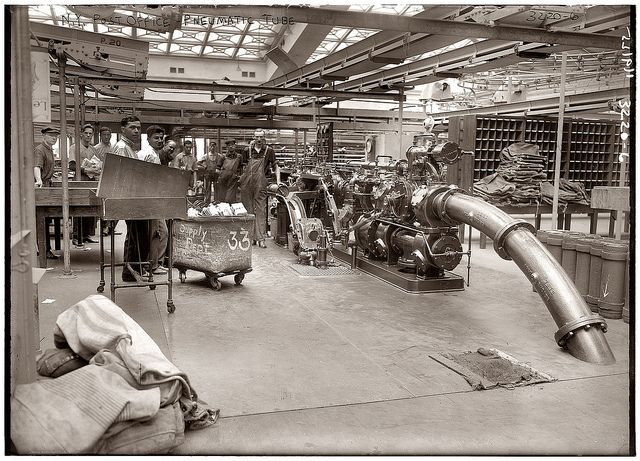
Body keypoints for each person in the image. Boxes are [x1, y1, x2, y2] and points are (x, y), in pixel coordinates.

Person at [112, 115, 149, 282]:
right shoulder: (121, 147)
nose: (136, 130)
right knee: (137, 235)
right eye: (132, 127)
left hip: (134, 196)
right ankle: (131, 271)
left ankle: (133, 269)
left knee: (136, 235)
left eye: (138, 128)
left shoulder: (129, 147)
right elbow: (121, 175)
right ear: (123, 130)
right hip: (129, 197)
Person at [138, 125, 168, 275]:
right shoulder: (147, 154)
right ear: (148, 139)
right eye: (156, 138)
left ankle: (156, 263)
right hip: (149, 198)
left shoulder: (154, 154)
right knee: (157, 232)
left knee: (160, 232)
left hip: (154, 197)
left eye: (161, 138)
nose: (159, 140)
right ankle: (152, 265)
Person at [239, 129, 276, 248]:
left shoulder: (269, 151)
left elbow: (276, 166)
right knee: (248, 210)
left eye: (261, 137)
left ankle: (261, 238)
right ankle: (251, 237)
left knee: (261, 210)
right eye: (257, 137)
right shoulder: (247, 151)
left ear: (264, 137)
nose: (259, 139)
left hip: (261, 183)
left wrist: (279, 182)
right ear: (253, 137)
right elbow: (243, 168)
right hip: (247, 184)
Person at [69, 123, 99, 246]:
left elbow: (97, 163)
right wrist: (85, 170)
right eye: (85, 133)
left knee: (90, 207)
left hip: (91, 181)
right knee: (78, 208)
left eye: (90, 133)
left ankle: (86, 234)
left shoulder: (93, 149)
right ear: (81, 133)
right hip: (79, 180)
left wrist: (96, 168)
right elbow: (71, 165)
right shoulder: (74, 147)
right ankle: (76, 236)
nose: (87, 135)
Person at [34, 126, 61, 259]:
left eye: (56, 136)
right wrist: (39, 180)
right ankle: (43, 250)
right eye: (51, 135)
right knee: (41, 219)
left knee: (46, 219)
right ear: (44, 136)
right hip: (42, 186)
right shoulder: (40, 150)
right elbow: (37, 166)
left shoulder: (50, 149)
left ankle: (45, 249)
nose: (54, 138)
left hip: (48, 183)